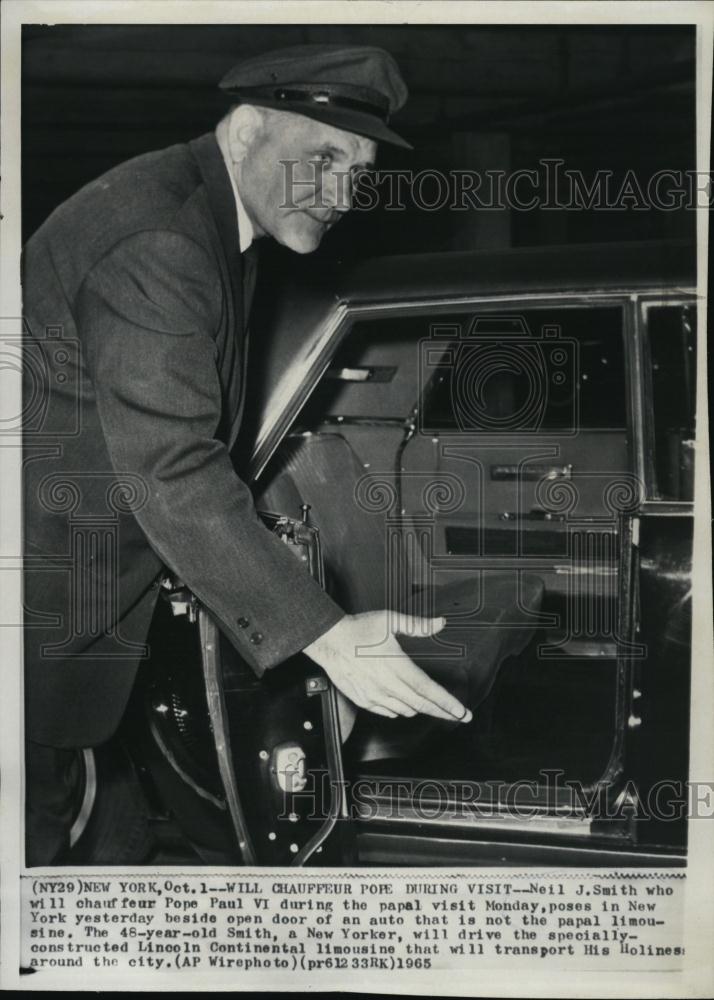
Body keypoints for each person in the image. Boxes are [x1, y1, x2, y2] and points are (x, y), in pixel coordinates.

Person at [22, 44, 473, 866]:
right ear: (244, 133)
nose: (341, 195)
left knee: (90, 852)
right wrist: (327, 637)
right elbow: (174, 468)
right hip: (37, 619)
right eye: (323, 160)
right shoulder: (159, 237)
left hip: (74, 614)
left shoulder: (209, 217)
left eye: (357, 172)